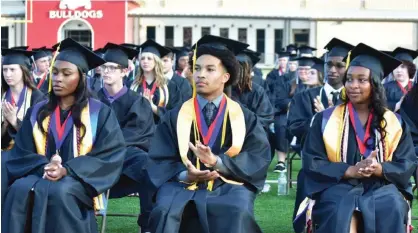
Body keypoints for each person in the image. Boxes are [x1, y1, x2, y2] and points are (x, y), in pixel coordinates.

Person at [147, 35, 271, 233]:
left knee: (236, 210)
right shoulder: (175, 116)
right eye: (197, 68)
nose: (200, 75)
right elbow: (158, 159)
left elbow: (258, 156)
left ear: (226, 77)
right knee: (164, 210)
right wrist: (185, 175)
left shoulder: (244, 117)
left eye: (210, 69)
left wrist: (218, 163)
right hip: (182, 185)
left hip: (228, 184)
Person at [2, 38, 126, 233]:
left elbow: (110, 154)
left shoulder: (99, 113)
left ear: (81, 78)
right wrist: (45, 166)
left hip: (79, 180)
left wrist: (67, 170)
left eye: (67, 74)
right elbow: (22, 151)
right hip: (39, 172)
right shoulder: (37, 112)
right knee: (19, 189)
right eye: (55, 72)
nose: (58, 78)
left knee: (61, 190)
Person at [301, 43, 416, 233]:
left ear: (376, 83)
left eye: (362, 80)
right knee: (339, 209)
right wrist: (350, 171)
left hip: (381, 186)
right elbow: (312, 161)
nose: (353, 85)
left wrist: (380, 168)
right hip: (337, 184)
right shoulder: (325, 119)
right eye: (349, 79)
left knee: (391, 206)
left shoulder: (395, 123)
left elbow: (407, 162)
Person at [287, 38, 353, 233]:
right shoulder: (305, 96)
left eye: (339, 66)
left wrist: (333, 115)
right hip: (315, 162)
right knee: (307, 179)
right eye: (328, 64)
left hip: (348, 164)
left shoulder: (355, 99)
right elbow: (294, 128)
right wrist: (321, 119)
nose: (333, 70)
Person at [96, 43, 155, 233]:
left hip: (125, 165)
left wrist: (110, 144)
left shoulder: (137, 102)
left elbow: (138, 135)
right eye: (104, 67)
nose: (106, 71)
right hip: (95, 160)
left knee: (148, 165)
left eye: (112, 68)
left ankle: (147, 226)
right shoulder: (91, 100)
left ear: (125, 71)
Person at [1, 48, 45, 206]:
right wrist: (5, 126)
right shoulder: (1, 96)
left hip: (28, 154)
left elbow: (40, 135)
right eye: (5, 70)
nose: (8, 74)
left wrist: (15, 122)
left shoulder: (38, 98)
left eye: (12, 69)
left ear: (24, 70)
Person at [129, 40, 182, 123]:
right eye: (142, 58)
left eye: (149, 58)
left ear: (156, 61)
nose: (145, 61)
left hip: (161, 131)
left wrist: (153, 107)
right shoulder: (132, 85)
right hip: (137, 131)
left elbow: (176, 113)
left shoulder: (170, 86)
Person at [232, 48, 274, 131]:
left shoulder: (257, 91)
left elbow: (266, 118)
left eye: (240, 70)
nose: (236, 72)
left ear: (248, 71)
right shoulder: (225, 88)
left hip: (252, 136)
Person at [383, 47, 418, 112]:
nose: (398, 70)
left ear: (410, 68)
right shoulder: (384, 88)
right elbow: (377, 106)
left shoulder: (416, 87)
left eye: (403, 67)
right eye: (395, 67)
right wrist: (396, 105)